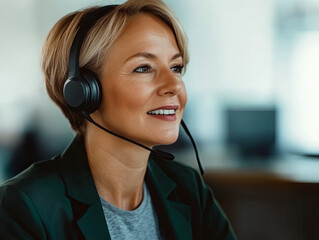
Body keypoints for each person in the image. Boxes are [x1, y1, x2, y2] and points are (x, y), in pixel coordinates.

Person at [0, 0, 236, 239]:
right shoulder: (25, 205)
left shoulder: (187, 187)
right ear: (84, 92)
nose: (174, 85)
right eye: (144, 68)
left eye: (176, 67)